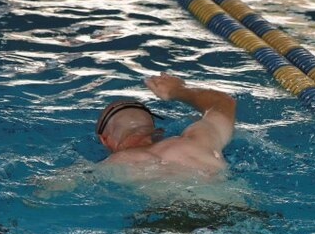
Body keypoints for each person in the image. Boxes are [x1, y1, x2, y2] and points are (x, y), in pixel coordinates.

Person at [95, 73, 236, 182]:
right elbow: (223, 102)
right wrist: (177, 90)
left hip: (168, 217)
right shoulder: (198, 140)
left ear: (104, 139)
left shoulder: (113, 165)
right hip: (230, 211)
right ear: (159, 131)